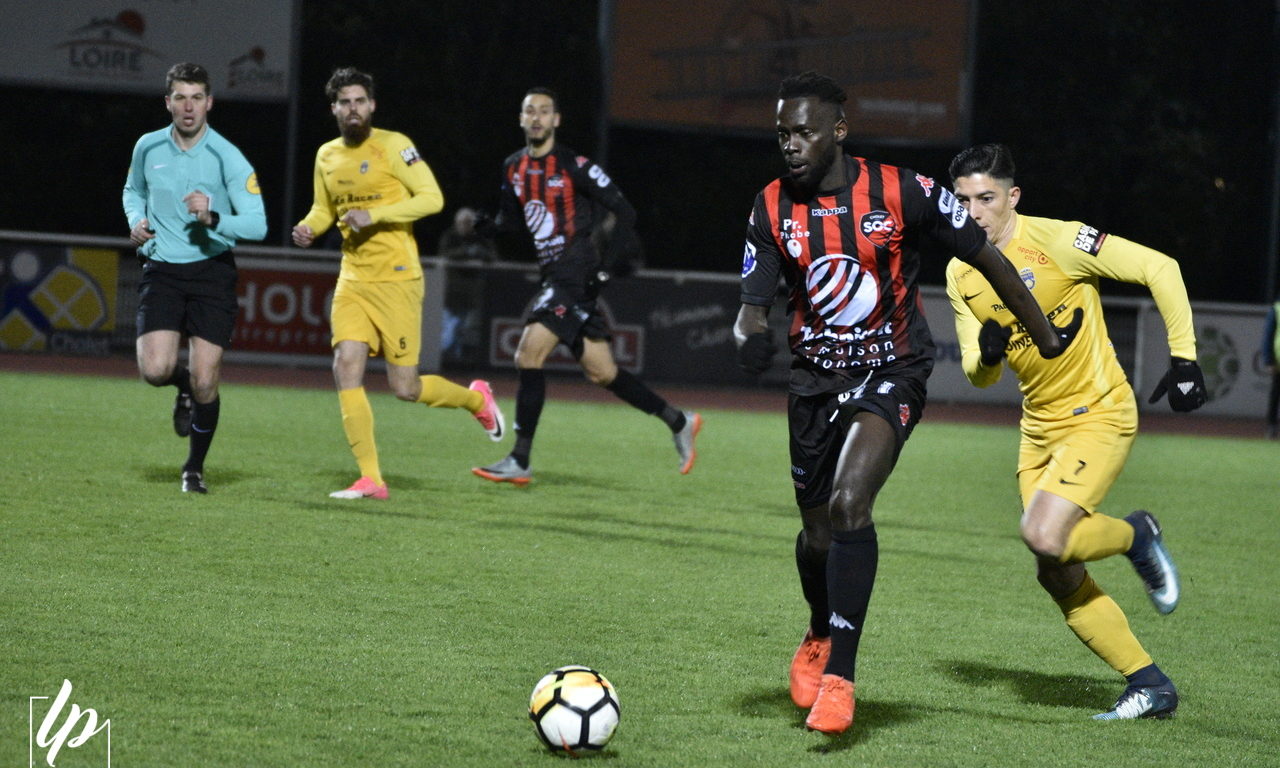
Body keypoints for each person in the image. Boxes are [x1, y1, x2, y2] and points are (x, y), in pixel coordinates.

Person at [735, 72, 1082, 735]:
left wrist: (1043, 335)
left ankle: (841, 678)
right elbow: (750, 309)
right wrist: (748, 338)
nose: (791, 144)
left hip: (892, 370)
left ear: (839, 131)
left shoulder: (902, 191)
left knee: (847, 506)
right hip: (813, 383)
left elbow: (989, 259)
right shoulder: (769, 206)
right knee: (815, 541)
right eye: (782, 133)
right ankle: (818, 628)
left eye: (805, 131)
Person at [946, 142, 1206, 720]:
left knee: (1042, 534)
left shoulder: (1060, 240)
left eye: (986, 198)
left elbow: (1161, 268)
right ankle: (1150, 682)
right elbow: (978, 373)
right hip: (1038, 431)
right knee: (1055, 568)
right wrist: (987, 356)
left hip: (1099, 412)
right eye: (963, 201)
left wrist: (1184, 359)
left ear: (1012, 197)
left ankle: (1136, 536)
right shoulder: (959, 270)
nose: (975, 212)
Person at [471, 87, 701, 486]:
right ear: (521, 119)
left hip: (575, 276)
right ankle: (678, 421)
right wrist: (490, 227)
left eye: (545, 111)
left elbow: (625, 211)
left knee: (528, 354)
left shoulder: (574, 165)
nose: (538, 117)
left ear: (556, 120)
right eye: (530, 111)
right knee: (603, 373)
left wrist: (606, 269)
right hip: (555, 278)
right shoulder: (513, 167)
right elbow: (513, 217)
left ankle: (520, 459)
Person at [292, 67, 504, 500]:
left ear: (372, 105)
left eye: (360, 101)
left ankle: (477, 401)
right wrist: (308, 227)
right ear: (334, 109)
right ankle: (372, 478)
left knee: (405, 388)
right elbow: (323, 209)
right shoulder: (326, 155)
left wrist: (377, 214)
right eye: (345, 102)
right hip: (352, 278)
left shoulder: (395, 145)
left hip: (397, 279)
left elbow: (432, 198)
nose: (353, 109)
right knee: (345, 365)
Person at [123, 62, 267, 494]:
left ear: (210, 103)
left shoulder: (228, 156)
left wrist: (214, 216)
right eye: (181, 98)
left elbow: (258, 225)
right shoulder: (147, 147)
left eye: (197, 98)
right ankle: (179, 384)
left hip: (211, 274)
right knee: (155, 369)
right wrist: (136, 218)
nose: (189, 107)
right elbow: (133, 190)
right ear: (168, 102)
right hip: (163, 268)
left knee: (208, 380)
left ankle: (194, 469)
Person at [437, 207, 495, 360]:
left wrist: (480, 253)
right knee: (450, 327)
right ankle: (445, 359)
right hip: (450, 291)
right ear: (457, 223)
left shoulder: (479, 237)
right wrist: (465, 252)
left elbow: (493, 256)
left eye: (469, 222)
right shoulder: (450, 236)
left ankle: (460, 360)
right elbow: (444, 255)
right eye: (463, 222)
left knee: (466, 328)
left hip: (472, 292)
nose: (466, 225)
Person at [1263, 296, 1279, 439]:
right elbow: (1268, 335)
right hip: (1278, 363)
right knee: (1275, 396)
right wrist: (1269, 360)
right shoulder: (1276, 309)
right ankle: (1271, 427)